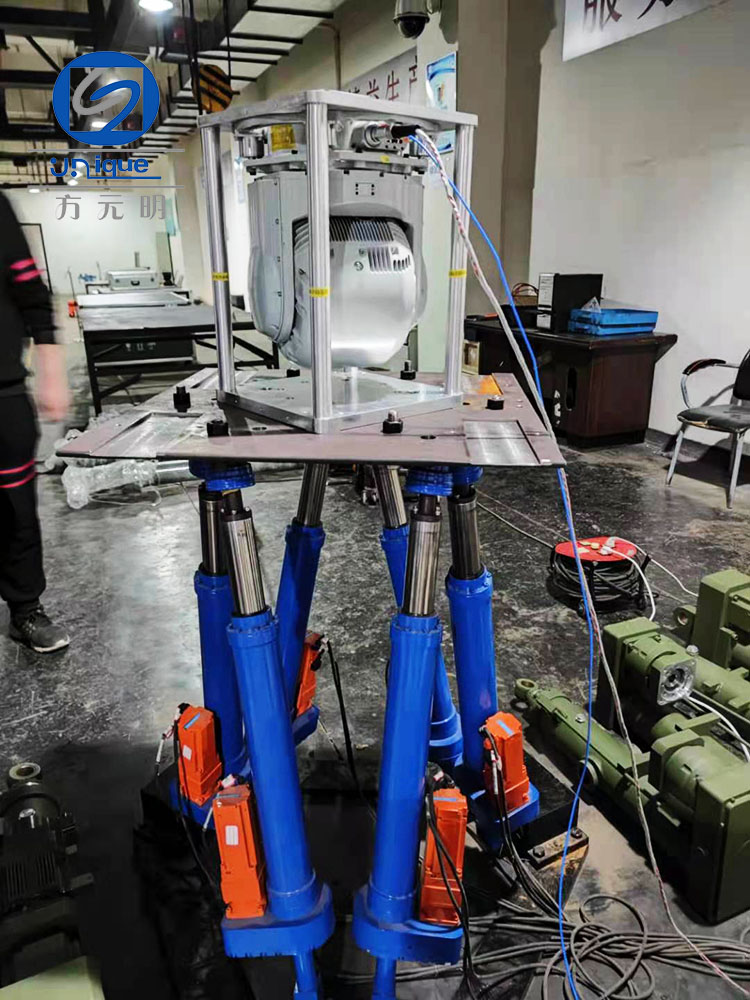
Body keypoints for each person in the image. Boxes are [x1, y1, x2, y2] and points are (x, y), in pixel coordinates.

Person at [0, 192, 70, 652]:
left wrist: (52, 372)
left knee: (14, 511)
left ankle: (24, 609)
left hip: (2, 393)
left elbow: (32, 295)